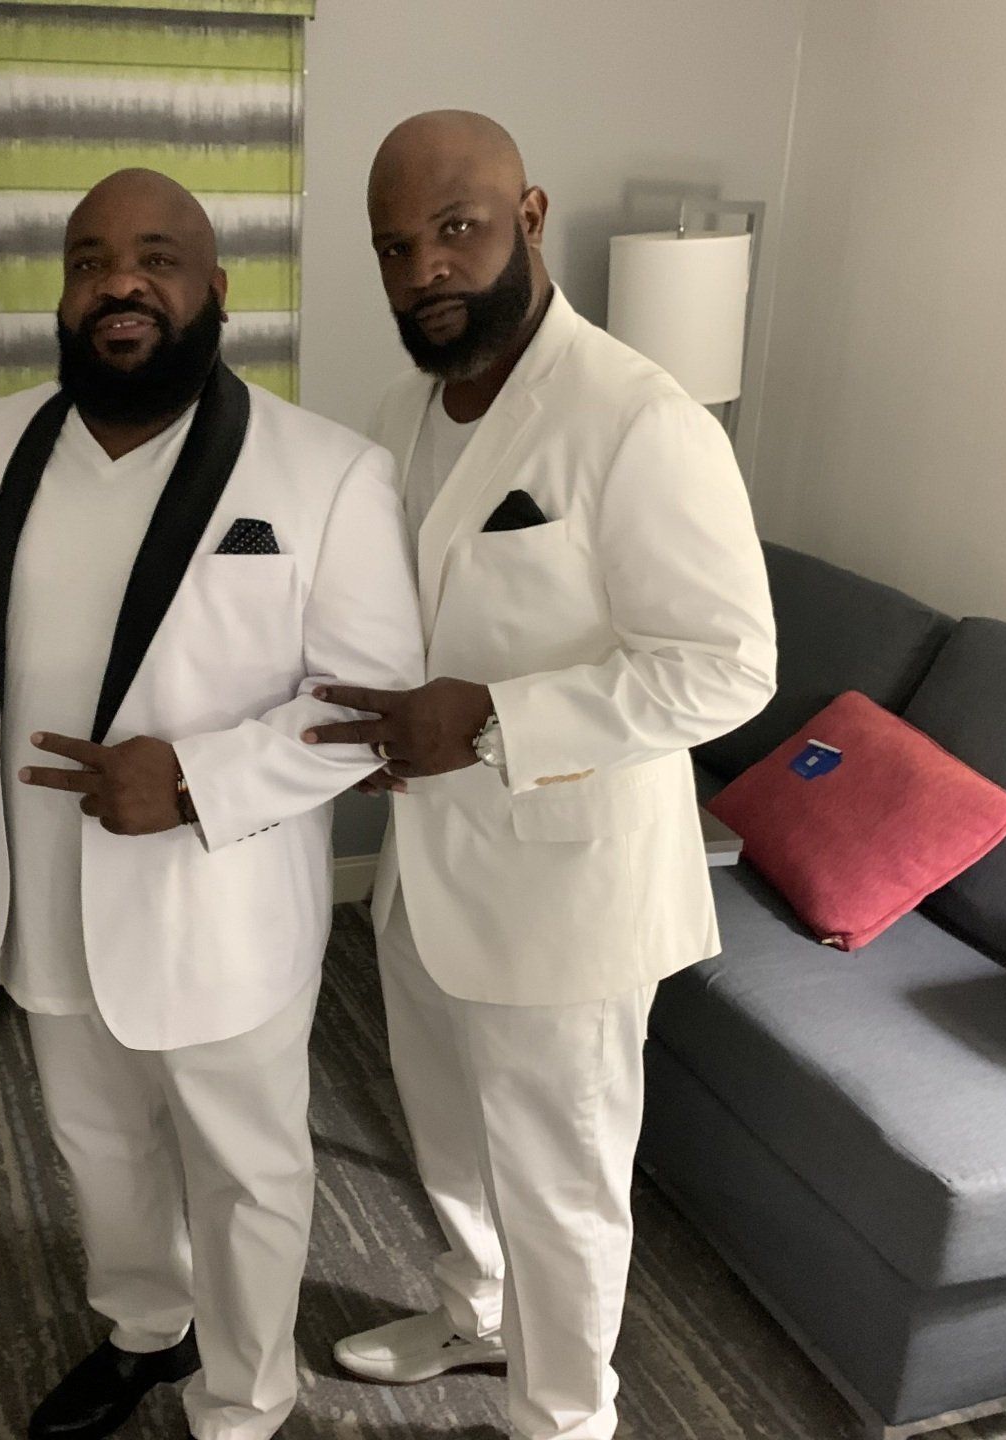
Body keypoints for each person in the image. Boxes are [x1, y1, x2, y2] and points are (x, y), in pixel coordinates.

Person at [307, 111, 777, 1440]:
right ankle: (473, 1314)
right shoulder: (401, 411)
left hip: (570, 896)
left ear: (528, 216)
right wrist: (373, 722)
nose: (423, 272)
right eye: (395, 247)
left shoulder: (640, 418)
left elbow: (728, 666)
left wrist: (492, 722)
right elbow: (410, 617)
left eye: (455, 230)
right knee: (446, 1135)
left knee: (566, 1185)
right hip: (425, 872)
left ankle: (565, 1414)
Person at [0, 168, 422, 1440]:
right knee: (97, 1147)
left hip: (220, 897)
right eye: (90, 257)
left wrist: (200, 777)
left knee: (247, 1164)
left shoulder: (327, 473)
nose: (121, 283)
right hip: (38, 882)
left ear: (218, 289)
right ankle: (146, 1328)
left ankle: (246, 1399)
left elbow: (368, 709)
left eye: (158, 257)